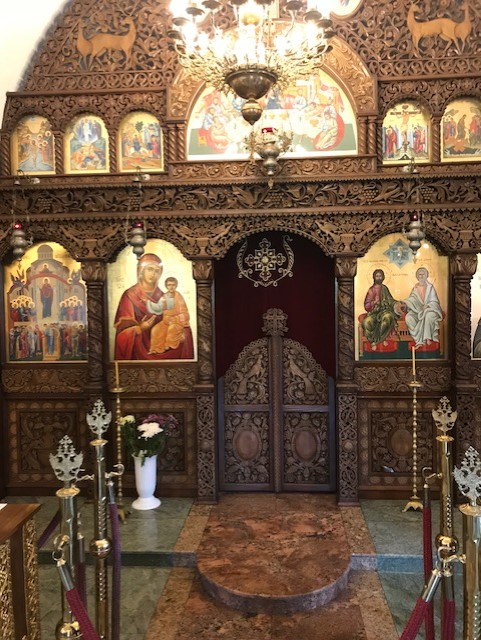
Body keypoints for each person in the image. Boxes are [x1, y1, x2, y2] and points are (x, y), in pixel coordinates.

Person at [114, 254, 194, 360]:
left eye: (157, 271)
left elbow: (181, 317)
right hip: (137, 352)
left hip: (165, 345)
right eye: (150, 269)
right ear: (141, 271)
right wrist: (140, 328)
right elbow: (121, 334)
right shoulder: (129, 296)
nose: (153, 274)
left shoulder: (165, 297)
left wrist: (181, 332)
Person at [400, 267, 443, 348]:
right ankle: (418, 341)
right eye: (420, 274)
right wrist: (406, 302)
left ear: (426, 276)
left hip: (431, 310)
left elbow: (435, 301)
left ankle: (427, 338)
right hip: (418, 311)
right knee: (409, 317)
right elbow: (412, 299)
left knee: (428, 315)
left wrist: (428, 305)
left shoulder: (430, 287)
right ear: (417, 276)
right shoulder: (415, 288)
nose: (421, 276)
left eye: (423, 274)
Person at [147, 277, 191, 354]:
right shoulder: (165, 296)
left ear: (176, 286)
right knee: (155, 329)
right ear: (166, 286)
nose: (171, 287)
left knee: (172, 328)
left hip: (177, 321)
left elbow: (184, 313)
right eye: (169, 285)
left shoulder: (178, 296)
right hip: (167, 320)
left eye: (173, 285)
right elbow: (162, 310)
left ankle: (168, 345)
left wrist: (174, 319)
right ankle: (155, 348)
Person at [361, 269, 400, 350]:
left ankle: (380, 340)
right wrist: (374, 303)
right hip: (374, 313)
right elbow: (366, 305)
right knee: (367, 322)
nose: (379, 278)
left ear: (383, 277)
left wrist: (396, 303)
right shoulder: (371, 290)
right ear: (374, 277)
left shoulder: (384, 288)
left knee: (388, 317)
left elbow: (390, 300)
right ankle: (373, 341)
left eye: (380, 276)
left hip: (384, 311)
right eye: (377, 276)